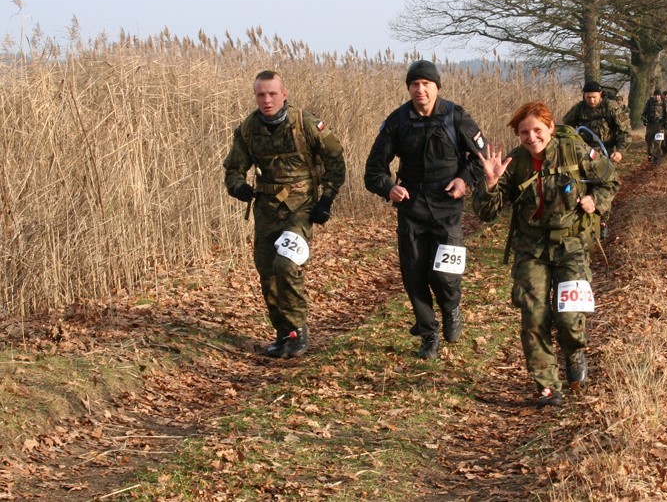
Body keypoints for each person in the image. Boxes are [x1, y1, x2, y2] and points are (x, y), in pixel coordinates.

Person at [472, 101, 619, 408]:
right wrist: (490, 183)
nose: (531, 137)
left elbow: (610, 179)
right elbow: (487, 213)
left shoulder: (576, 153)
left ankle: (573, 352)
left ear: (551, 128)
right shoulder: (514, 162)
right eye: (524, 132)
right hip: (532, 249)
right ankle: (547, 386)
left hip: (573, 246)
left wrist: (596, 199)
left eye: (537, 130)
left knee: (567, 318)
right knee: (533, 316)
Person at [364, 60, 486, 360]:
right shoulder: (397, 121)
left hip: (447, 207)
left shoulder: (456, 116)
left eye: (426, 84)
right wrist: (389, 188)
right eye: (415, 84)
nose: (420, 90)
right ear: (409, 88)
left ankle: (451, 307)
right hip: (412, 208)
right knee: (414, 274)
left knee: (445, 275)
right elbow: (373, 170)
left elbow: (480, 156)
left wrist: (464, 179)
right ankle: (428, 333)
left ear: (437, 87)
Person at [223, 70, 346, 358]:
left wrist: (326, 199)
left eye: (272, 94)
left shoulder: (305, 123)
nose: (267, 100)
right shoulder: (248, 129)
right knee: (267, 271)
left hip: (300, 209)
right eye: (261, 94)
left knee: (286, 265)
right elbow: (233, 168)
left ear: (284, 94)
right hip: (267, 209)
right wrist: (238, 187)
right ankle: (283, 334)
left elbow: (335, 160)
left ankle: (298, 331)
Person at [562, 81, 630, 239]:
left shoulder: (611, 107)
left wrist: (620, 151)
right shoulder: (579, 108)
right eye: (588, 97)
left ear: (600, 95)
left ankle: (603, 222)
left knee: (604, 186)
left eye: (594, 97)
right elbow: (566, 126)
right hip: (583, 155)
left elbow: (624, 131)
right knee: (583, 186)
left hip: (606, 153)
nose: (591, 101)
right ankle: (582, 221)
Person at [641, 89, 667, 163]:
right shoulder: (649, 102)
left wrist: (665, 124)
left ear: (660, 96)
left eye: (658, 95)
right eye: (655, 95)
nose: (657, 97)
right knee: (649, 142)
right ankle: (650, 155)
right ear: (653, 96)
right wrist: (644, 120)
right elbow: (644, 114)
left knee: (657, 143)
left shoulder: (663, 103)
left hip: (660, 126)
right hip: (650, 126)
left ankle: (656, 159)